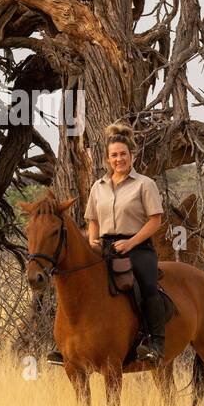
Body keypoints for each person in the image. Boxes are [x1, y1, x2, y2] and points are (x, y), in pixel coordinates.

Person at [46, 121, 165, 366]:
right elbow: (92, 220)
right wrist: (92, 240)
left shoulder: (144, 184)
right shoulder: (98, 187)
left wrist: (131, 243)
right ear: (107, 159)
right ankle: (67, 345)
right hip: (105, 247)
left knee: (146, 283)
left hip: (138, 246)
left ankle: (155, 342)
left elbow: (155, 221)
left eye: (123, 154)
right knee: (74, 283)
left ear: (131, 155)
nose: (119, 159)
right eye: (114, 155)